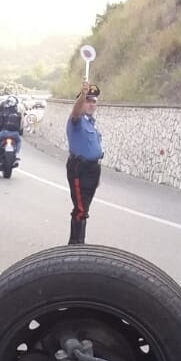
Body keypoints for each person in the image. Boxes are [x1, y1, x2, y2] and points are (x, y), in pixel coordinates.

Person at [66, 84, 104, 245]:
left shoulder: (91, 123)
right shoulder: (76, 121)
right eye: (87, 101)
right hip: (79, 168)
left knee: (84, 208)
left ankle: (78, 242)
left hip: (92, 169)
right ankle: (76, 244)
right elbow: (75, 112)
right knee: (80, 210)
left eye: (94, 101)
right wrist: (82, 95)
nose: (91, 104)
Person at [0, 96, 23, 168]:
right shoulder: (18, 115)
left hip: (5, 132)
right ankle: (17, 154)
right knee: (19, 141)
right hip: (15, 134)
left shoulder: (3, 114)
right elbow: (20, 126)